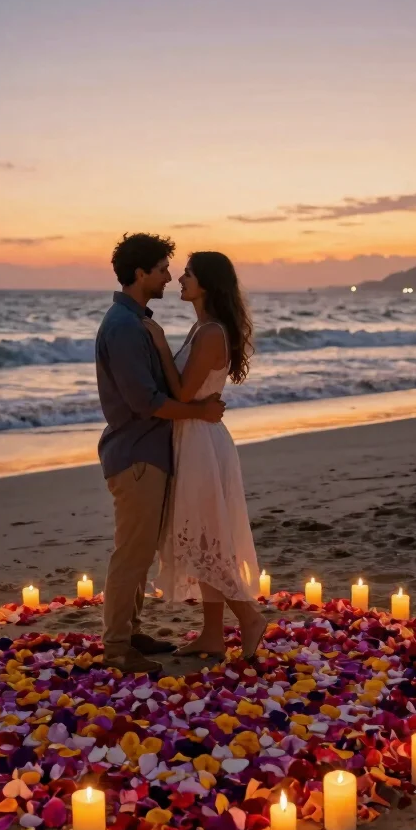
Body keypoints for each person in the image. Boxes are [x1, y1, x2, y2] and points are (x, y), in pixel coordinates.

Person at [96, 233, 226, 673]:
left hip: (148, 451)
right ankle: (117, 647)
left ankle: (130, 631)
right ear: (140, 273)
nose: (169, 277)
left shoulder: (137, 323)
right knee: (131, 553)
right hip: (137, 454)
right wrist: (199, 412)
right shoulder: (124, 326)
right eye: (162, 269)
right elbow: (145, 401)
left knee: (139, 551)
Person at [143, 251, 266, 659]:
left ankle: (248, 617)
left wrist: (159, 345)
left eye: (188, 274)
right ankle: (213, 634)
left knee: (205, 541)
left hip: (200, 442)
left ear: (207, 283)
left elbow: (181, 392)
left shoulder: (211, 332)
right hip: (194, 435)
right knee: (203, 539)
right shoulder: (202, 328)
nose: (180, 279)